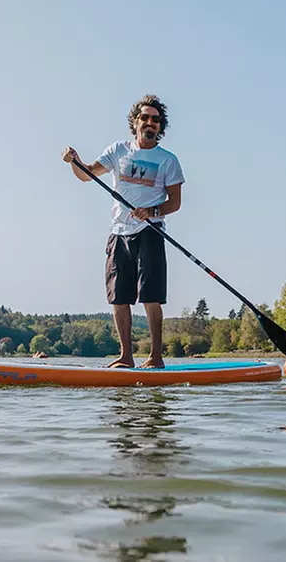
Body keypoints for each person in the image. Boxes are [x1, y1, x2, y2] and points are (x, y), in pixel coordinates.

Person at [62, 95, 185, 369]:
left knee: (151, 296)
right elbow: (87, 174)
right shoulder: (118, 150)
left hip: (150, 232)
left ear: (160, 126)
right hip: (119, 233)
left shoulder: (168, 160)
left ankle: (155, 357)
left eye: (155, 120)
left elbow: (175, 203)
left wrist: (152, 211)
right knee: (119, 297)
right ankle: (126, 357)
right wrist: (74, 161)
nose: (150, 123)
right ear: (135, 122)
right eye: (145, 118)